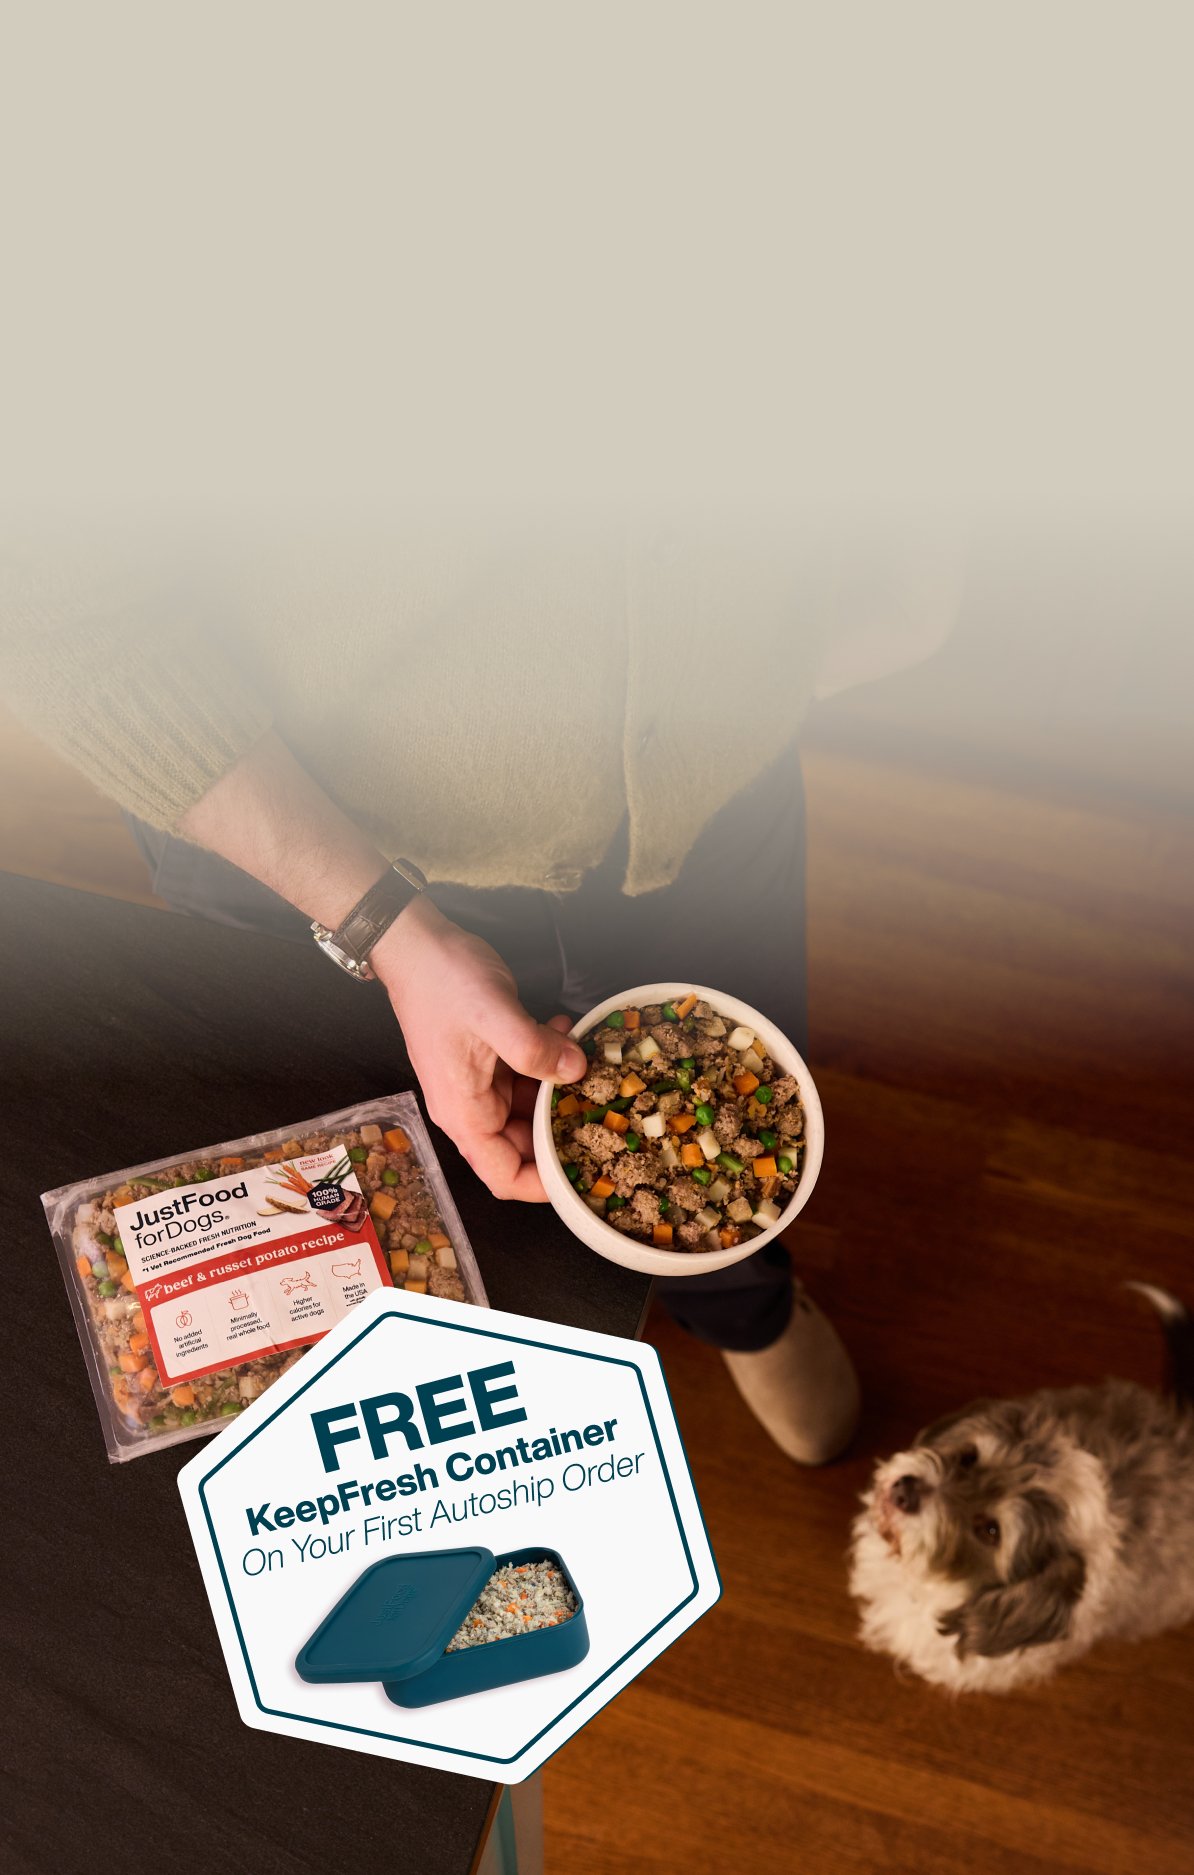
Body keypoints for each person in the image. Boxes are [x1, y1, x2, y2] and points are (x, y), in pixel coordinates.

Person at [1, 516, 956, 1462]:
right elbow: (47, 594)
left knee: (726, 1126)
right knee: (368, 1196)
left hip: (710, 783)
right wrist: (381, 924)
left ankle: (741, 1305)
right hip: (312, 835)